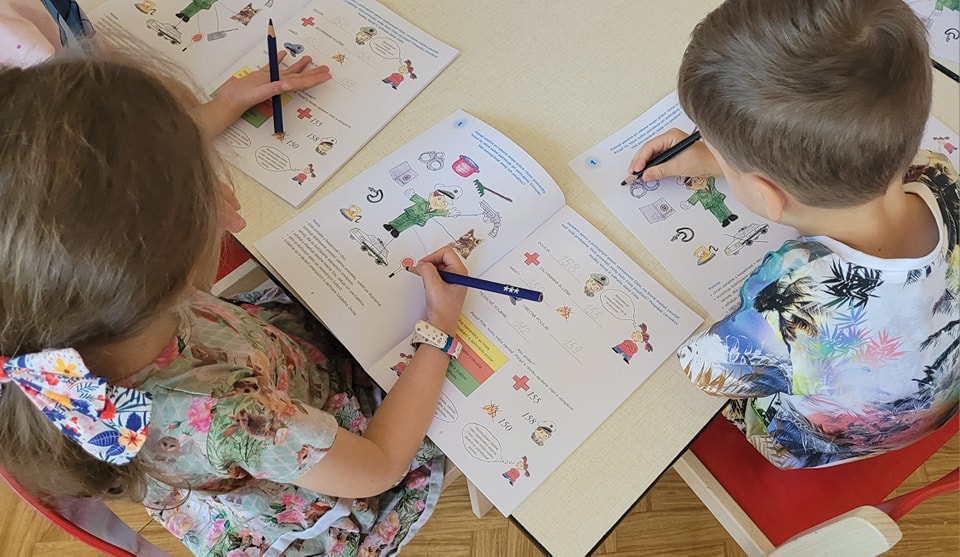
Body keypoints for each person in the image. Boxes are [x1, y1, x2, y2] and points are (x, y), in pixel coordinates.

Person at [0, 56, 468, 556]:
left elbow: (92, 185)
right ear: (171, 260)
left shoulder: (56, 309)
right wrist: (438, 330)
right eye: (202, 189)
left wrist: (224, 105)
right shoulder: (236, 417)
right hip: (321, 458)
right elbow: (380, 465)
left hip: (257, 381)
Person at [629, 0, 959, 470]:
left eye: (717, 152)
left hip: (815, 444)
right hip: (936, 404)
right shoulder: (938, 173)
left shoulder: (792, 290)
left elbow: (705, 371)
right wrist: (729, 160)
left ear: (767, 196)